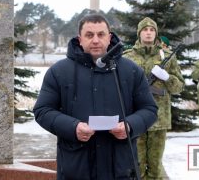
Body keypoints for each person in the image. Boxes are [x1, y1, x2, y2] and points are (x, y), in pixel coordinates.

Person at [33, 13, 158, 180]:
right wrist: (73, 127)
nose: (96, 40)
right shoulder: (59, 72)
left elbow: (149, 109)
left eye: (101, 34)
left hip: (121, 168)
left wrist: (129, 126)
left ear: (109, 37)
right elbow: (42, 110)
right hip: (76, 167)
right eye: (89, 35)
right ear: (80, 39)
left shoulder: (131, 71)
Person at [123, 17, 184, 180]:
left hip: (159, 118)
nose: (148, 33)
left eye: (152, 30)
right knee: (137, 164)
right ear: (139, 33)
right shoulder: (127, 57)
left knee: (156, 167)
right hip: (135, 118)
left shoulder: (168, 57)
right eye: (145, 30)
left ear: (156, 33)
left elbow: (179, 87)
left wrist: (167, 77)